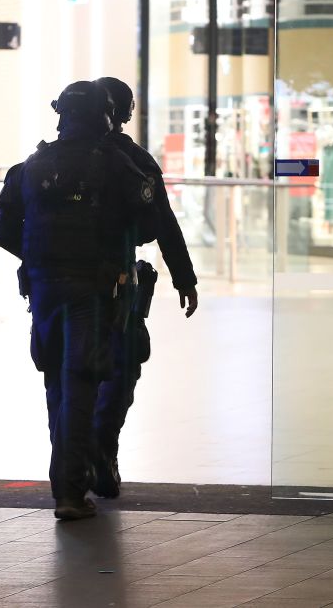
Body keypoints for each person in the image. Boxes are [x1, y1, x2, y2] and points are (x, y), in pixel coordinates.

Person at [0, 81, 154, 521]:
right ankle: (69, 491)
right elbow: (149, 223)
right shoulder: (114, 163)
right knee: (81, 381)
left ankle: (66, 483)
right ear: (105, 115)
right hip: (93, 289)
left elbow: (4, 231)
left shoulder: (32, 163)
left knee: (55, 383)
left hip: (44, 288)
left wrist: (43, 255)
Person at [91, 76, 199, 499]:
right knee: (121, 365)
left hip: (58, 289)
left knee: (66, 376)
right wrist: (184, 277)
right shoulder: (130, 160)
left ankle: (71, 470)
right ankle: (101, 448)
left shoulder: (51, 159)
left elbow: (11, 227)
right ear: (122, 113)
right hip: (115, 284)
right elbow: (162, 223)